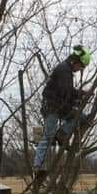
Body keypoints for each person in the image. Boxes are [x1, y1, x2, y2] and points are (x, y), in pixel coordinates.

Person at [33, 45, 92, 179]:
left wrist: (80, 94)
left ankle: (62, 133)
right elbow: (66, 94)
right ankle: (38, 168)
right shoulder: (64, 71)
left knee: (79, 116)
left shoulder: (66, 70)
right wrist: (77, 100)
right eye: (81, 66)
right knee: (48, 137)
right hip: (53, 108)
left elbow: (68, 92)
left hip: (58, 106)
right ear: (75, 61)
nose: (80, 70)